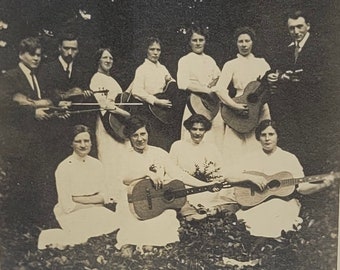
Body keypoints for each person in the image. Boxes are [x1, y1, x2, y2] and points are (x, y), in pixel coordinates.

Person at [111, 116, 220, 255]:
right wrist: (146, 173)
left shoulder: (158, 152)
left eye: (143, 134)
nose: (140, 139)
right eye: (135, 135)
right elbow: (125, 179)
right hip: (132, 201)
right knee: (134, 220)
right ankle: (133, 244)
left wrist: (207, 185)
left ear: (148, 133)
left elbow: (178, 174)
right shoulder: (124, 155)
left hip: (156, 201)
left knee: (166, 216)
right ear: (129, 137)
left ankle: (148, 245)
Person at [226, 120, 334, 238]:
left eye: (271, 134)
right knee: (254, 220)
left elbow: (302, 188)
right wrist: (250, 178)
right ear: (258, 138)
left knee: (277, 215)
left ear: (277, 137)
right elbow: (229, 177)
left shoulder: (289, 158)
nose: (267, 138)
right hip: (255, 203)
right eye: (263, 135)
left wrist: (322, 185)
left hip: (283, 202)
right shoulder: (250, 157)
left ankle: (267, 247)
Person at [0, 37, 53, 228]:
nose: (36, 58)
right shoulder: (10, 76)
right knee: (19, 181)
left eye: (39, 55)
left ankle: (30, 222)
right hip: (18, 139)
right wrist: (33, 112)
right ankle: (14, 225)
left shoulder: (34, 76)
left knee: (35, 180)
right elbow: (5, 105)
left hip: (35, 138)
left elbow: (35, 102)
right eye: (32, 54)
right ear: (21, 54)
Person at [38, 125, 117, 250]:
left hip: (95, 209)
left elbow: (105, 196)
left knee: (118, 222)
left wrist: (79, 199)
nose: (83, 145)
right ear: (71, 144)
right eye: (78, 141)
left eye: (86, 141)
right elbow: (67, 205)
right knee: (81, 235)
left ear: (91, 142)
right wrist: (93, 201)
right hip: (71, 213)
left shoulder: (97, 164)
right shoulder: (64, 167)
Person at [269, 10, 325, 175]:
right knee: (295, 149)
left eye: (300, 26)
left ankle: (315, 191)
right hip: (292, 111)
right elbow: (279, 70)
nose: (296, 32)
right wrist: (274, 76)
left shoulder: (319, 46)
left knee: (313, 152)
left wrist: (292, 77)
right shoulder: (288, 49)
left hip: (313, 109)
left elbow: (324, 76)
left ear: (308, 25)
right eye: (292, 28)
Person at [213, 26, 271, 168]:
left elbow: (270, 86)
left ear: (252, 42)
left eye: (247, 41)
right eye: (240, 41)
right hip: (238, 108)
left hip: (259, 107)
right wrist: (235, 106)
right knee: (234, 149)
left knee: (261, 142)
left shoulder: (261, 63)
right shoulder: (231, 64)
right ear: (236, 43)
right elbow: (219, 89)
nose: (244, 45)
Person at [38, 31, 98, 164]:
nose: (70, 53)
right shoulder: (47, 68)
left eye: (74, 49)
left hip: (74, 129)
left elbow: (83, 100)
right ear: (59, 48)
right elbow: (42, 95)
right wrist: (56, 104)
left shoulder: (82, 71)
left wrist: (86, 95)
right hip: (54, 128)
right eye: (66, 48)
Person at [170, 114, 235, 212]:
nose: (197, 133)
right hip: (188, 189)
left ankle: (213, 211)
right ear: (188, 129)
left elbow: (221, 170)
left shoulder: (212, 148)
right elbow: (172, 171)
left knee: (230, 194)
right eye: (194, 129)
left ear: (206, 131)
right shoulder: (178, 146)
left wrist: (216, 182)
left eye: (201, 129)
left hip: (210, 188)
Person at [89, 48, 131, 199]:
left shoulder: (111, 79)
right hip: (107, 124)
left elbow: (119, 99)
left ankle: (125, 195)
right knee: (109, 158)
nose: (108, 61)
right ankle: (111, 196)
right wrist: (125, 113)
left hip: (117, 125)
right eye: (105, 57)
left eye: (111, 58)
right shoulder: (96, 78)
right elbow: (104, 104)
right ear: (98, 60)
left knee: (121, 158)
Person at [130, 36, 180, 151]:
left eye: (158, 50)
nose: (155, 52)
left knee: (165, 143)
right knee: (154, 143)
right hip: (149, 111)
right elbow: (136, 91)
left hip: (163, 113)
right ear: (146, 50)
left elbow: (171, 85)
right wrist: (156, 101)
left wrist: (170, 80)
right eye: (152, 49)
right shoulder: (141, 69)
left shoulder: (162, 68)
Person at [177, 23, 222, 146]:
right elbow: (183, 83)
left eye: (201, 40)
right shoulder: (185, 60)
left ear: (205, 41)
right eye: (194, 40)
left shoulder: (210, 60)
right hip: (194, 104)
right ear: (189, 42)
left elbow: (219, 78)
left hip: (212, 105)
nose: (198, 43)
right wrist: (206, 90)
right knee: (192, 140)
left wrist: (215, 86)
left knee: (215, 138)